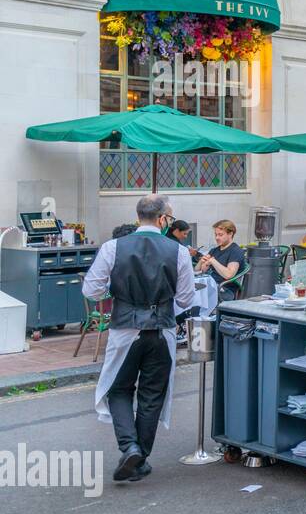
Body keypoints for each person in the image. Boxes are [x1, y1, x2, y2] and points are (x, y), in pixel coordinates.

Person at [82, 194, 196, 483]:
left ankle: (130, 447)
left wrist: (117, 288)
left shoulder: (112, 247)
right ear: (161, 219)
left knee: (118, 390)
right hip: (162, 330)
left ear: (138, 217)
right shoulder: (178, 251)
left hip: (125, 329)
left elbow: (91, 291)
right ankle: (139, 457)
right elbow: (185, 299)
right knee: (151, 394)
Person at [197, 219, 246, 301]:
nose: (217, 238)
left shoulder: (236, 251)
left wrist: (213, 261)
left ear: (230, 234)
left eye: (220, 235)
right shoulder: (214, 250)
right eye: (215, 235)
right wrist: (201, 262)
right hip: (211, 285)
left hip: (225, 289)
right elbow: (198, 271)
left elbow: (229, 275)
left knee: (194, 295)